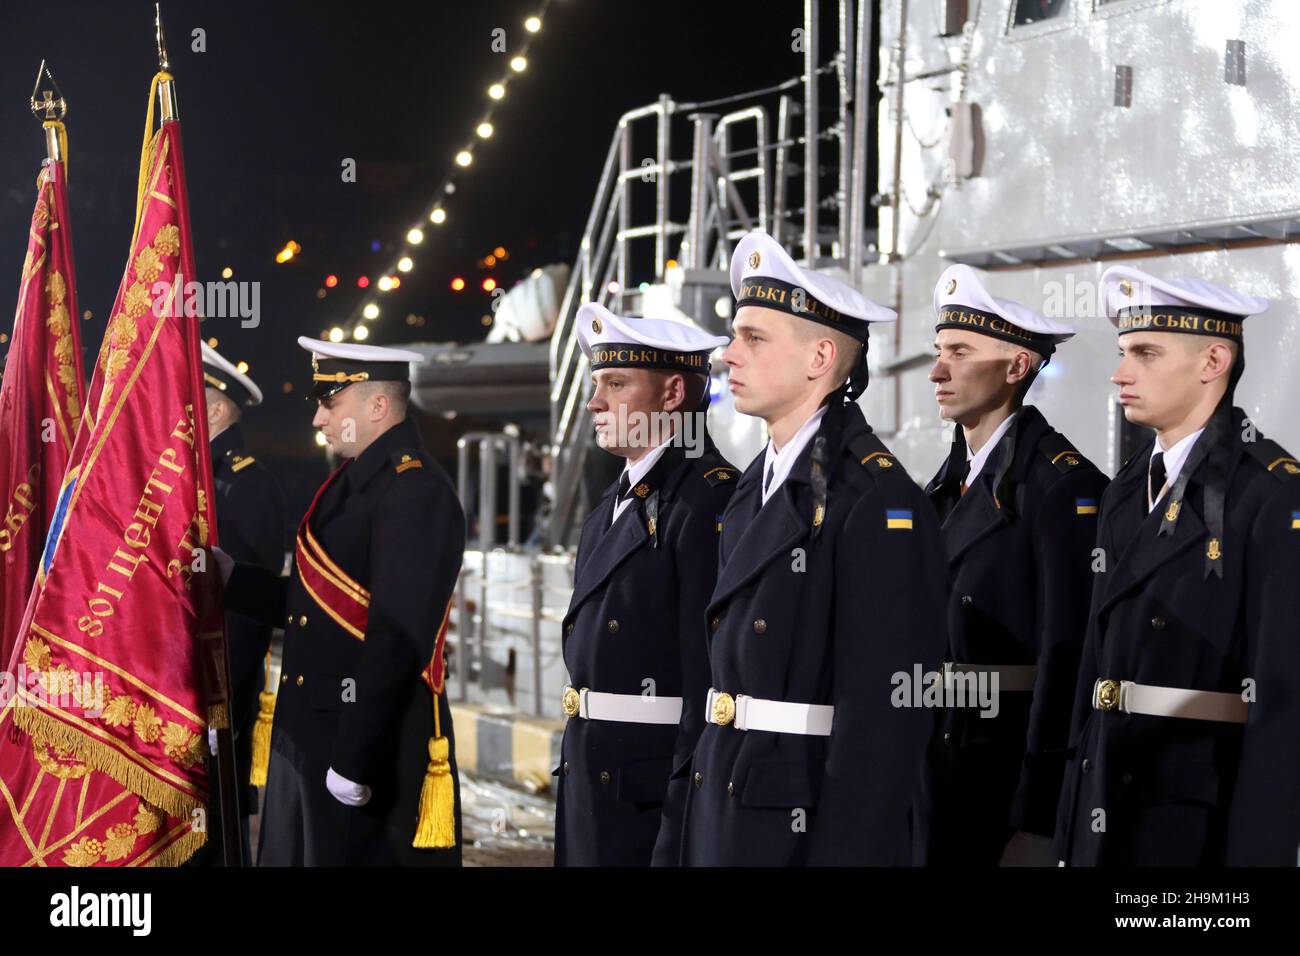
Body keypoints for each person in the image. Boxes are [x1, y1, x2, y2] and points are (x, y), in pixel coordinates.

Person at [679, 231, 948, 866]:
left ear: (820, 356)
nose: (729, 354)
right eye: (734, 334)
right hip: (728, 807)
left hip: (799, 831)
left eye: (754, 338)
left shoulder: (877, 499)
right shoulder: (751, 491)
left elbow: (885, 724)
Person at [1056, 265, 1300, 866]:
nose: (1119, 374)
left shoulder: (1268, 496)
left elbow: (1284, 703)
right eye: (1121, 353)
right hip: (1105, 801)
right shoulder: (1124, 492)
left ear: (1212, 361)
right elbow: (1093, 670)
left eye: (1145, 353)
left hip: (1192, 821)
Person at [215, 337, 464, 865]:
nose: (318, 420)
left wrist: (354, 758)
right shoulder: (354, 480)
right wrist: (233, 579)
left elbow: (396, 640)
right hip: (308, 732)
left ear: (377, 405)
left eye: (330, 402)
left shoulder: (413, 490)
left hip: (360, 747)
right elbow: (312, 609)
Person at [922, 265, 1107, 866]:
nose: (937, 370)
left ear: (1017, 367)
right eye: (938, 351)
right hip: (932, 767)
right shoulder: (945, 485)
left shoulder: (1059, 486)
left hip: (996, 779)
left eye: (959, 352)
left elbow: (1068, 656)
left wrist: (1041, 815)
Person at [555, 304, 736, 866]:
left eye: (615, 383)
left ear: (673, 394)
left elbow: (709, 675)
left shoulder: (706, 499)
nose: (594, 403)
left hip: (650, 795)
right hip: (595, 780)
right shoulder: (611, 505)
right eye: (595, 384)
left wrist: (684, 814)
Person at [193, 342, 285, 865]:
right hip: (186, 685)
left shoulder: (246, 484)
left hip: (219, 690)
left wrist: (224, 697)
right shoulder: (196, 475)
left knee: (220, 827)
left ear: (217, 410)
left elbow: (250, 605)